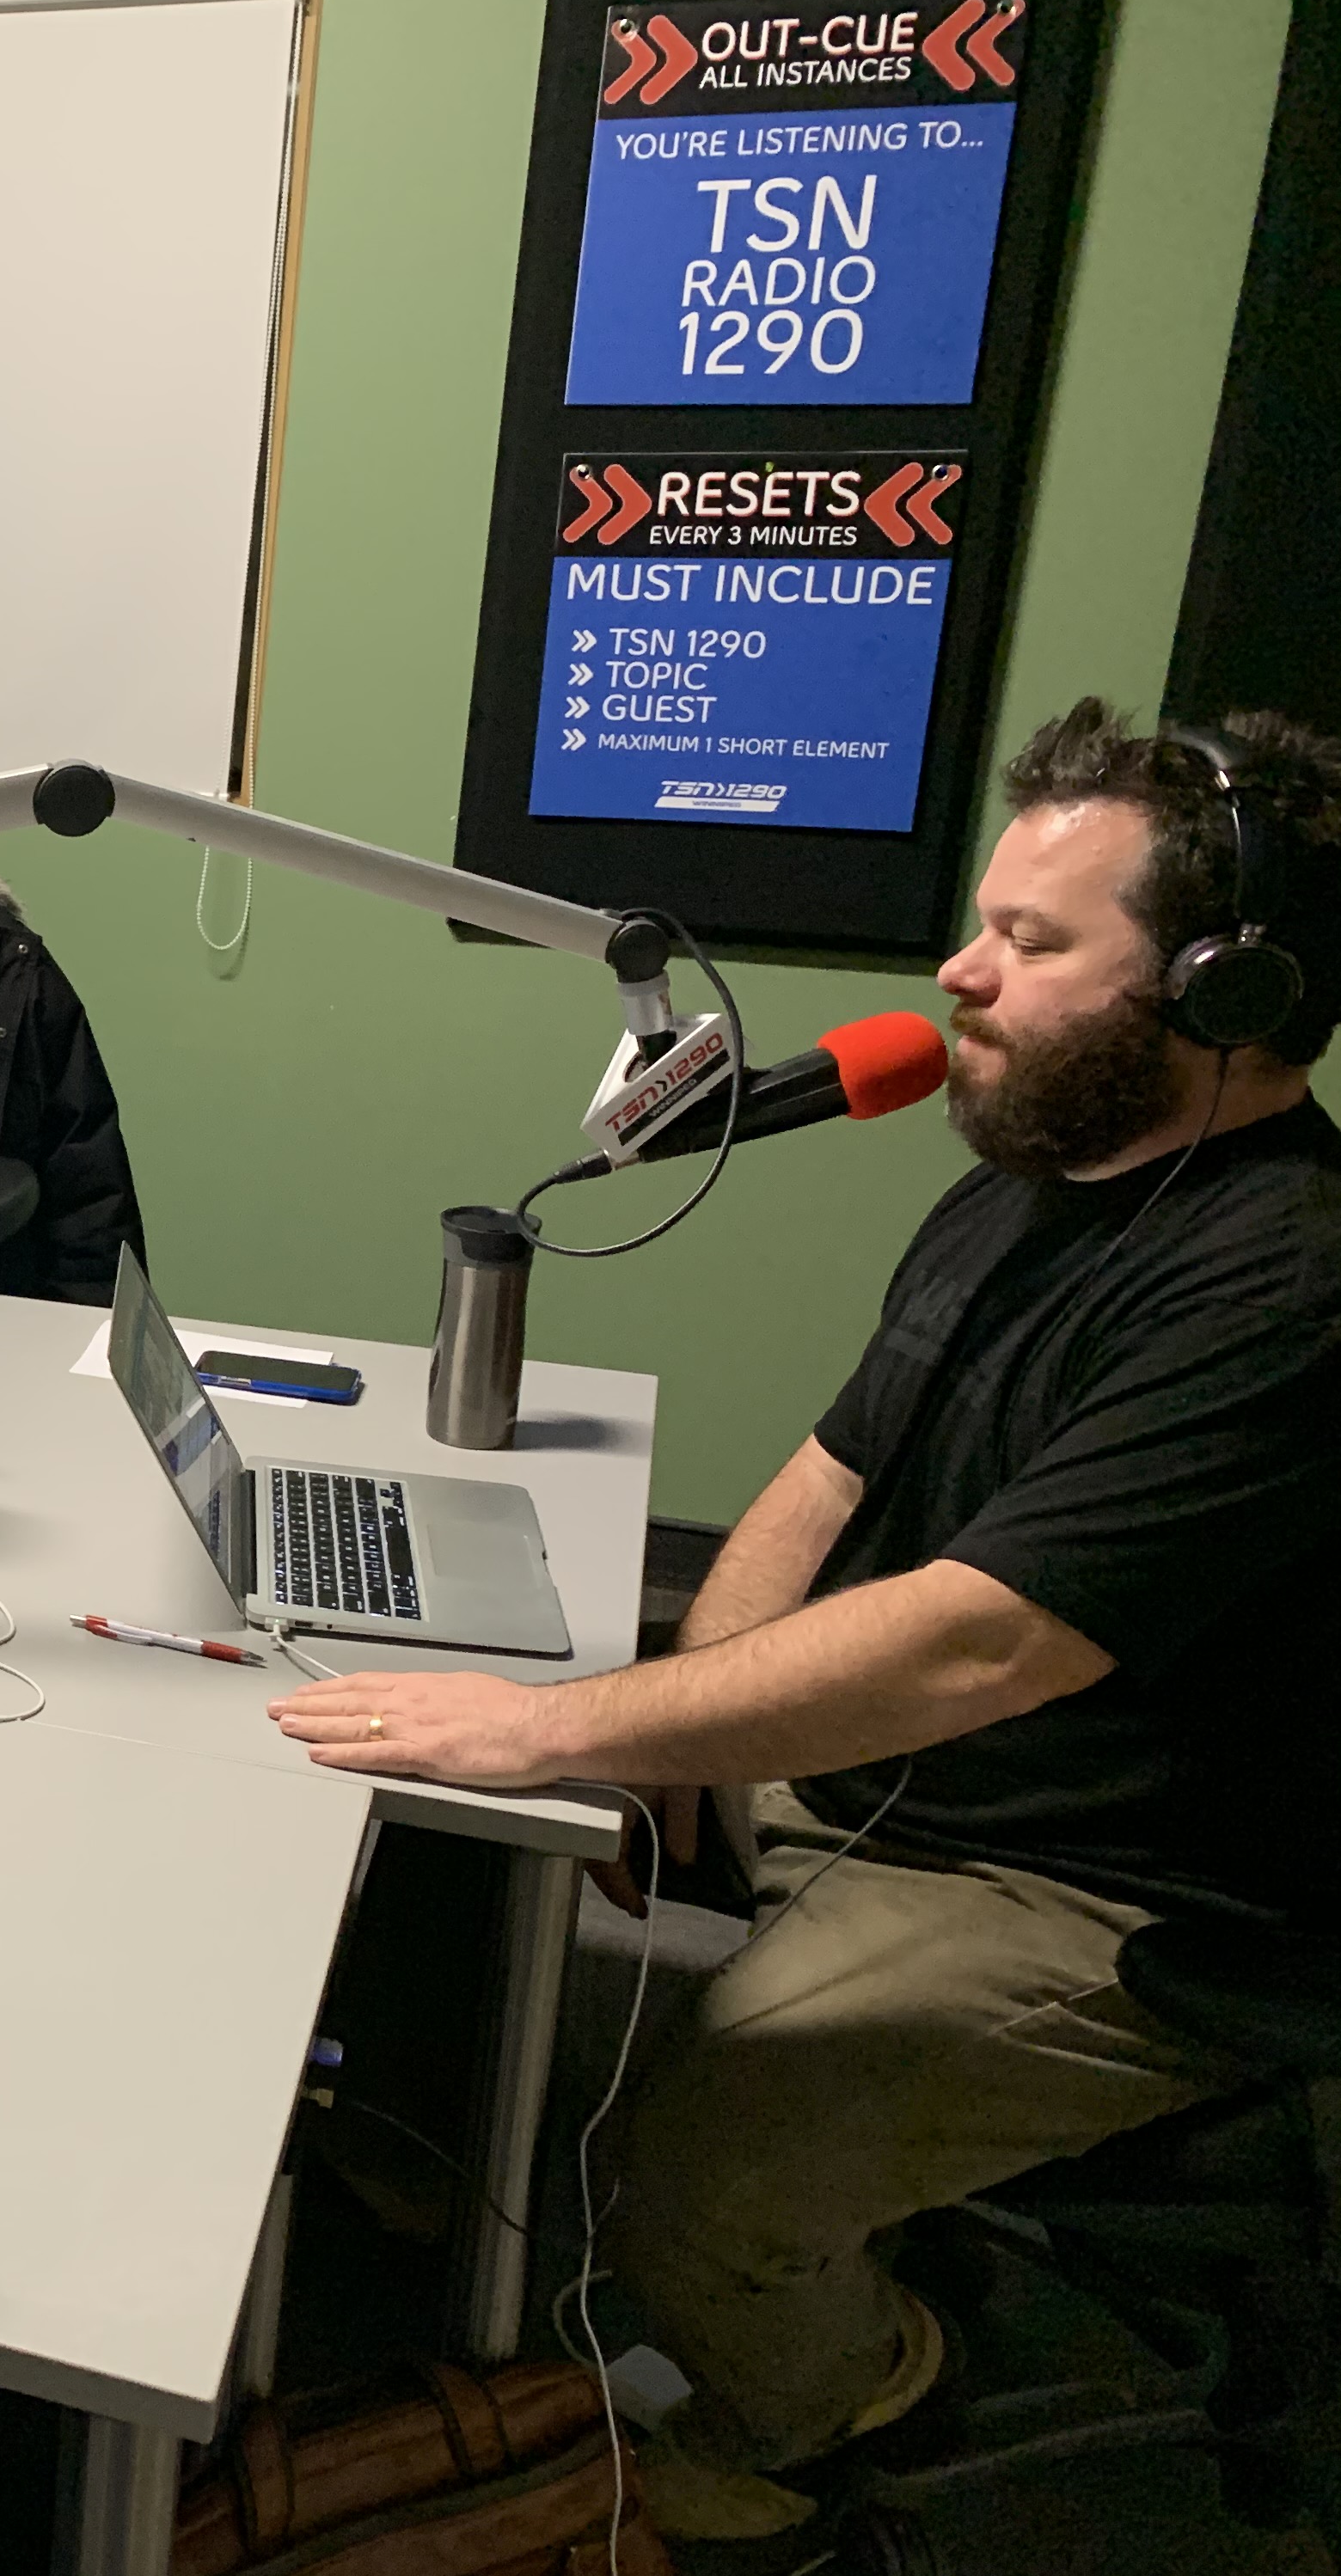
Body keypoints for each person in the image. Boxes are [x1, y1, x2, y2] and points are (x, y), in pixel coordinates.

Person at [256, 701, 1341, 2540]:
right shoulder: (1028, 1194)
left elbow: (981, 1642)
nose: (960, 973)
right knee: (471, 1855)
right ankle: (447, 2230)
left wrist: (563, 1729)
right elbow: (833, 1476)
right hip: (914, 1776)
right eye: (980, 924)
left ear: (1221, 995)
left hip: (1107, 1891)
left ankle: (835, 2408)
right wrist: (676, 1727)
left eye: (1032, 941)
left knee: (691, 2170)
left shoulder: (1285, 1285)